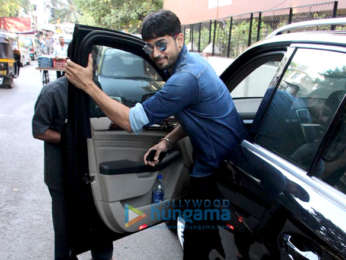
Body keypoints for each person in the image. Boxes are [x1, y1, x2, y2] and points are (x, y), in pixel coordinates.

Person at [65, 10, 247, 259]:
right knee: (208, 237)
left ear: (179, 39)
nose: (156, 53)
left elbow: (130, 121)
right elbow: (197, 117)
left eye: (161, 45)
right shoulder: (192, 64)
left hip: (217, 169)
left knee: (197, 243)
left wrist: (88, 85)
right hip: (217, 162)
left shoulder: (185, 79)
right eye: (150, 47)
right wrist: (167, 140)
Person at [32, 75, 114, 260]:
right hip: (61, 175)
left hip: (91, 174)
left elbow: (101, 118)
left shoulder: (95, 87)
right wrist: (71, 138)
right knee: (65, 233)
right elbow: (39, 130)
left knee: (100, 229)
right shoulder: (52, 92)